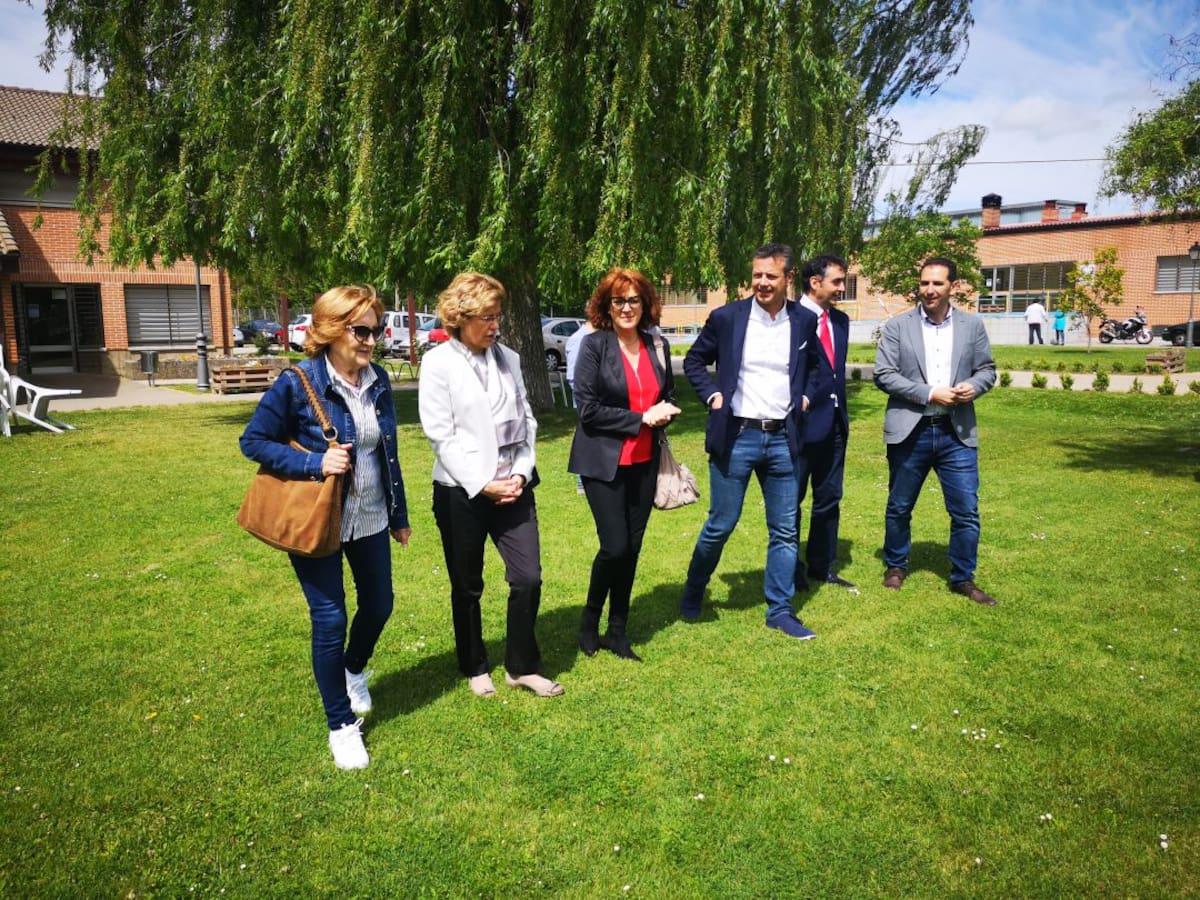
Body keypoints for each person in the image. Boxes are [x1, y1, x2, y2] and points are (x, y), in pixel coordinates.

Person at [240, 284, 411, 771]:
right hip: (319, 521)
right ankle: (341, 725)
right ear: (333, 330)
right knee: (330, 618)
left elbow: (387, 452)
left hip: (371, 517)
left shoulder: (378, 379)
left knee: (380, 605)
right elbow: (253, 441)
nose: (372, 340)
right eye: (362, 331)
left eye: (377, 330)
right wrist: (315, 462)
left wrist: (399, 515)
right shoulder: (298, 383)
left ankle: (353, 669)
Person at [418, 272, 563, 699]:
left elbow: (527, 420)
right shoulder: (439, 363)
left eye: (497, 316)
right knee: (467, 585)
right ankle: (475, 664)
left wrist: (520, 472)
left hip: (514, 486)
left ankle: (522, 666)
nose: (495, 325)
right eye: (486, 317)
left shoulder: (509, 358)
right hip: (460, 491)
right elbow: (441, 435)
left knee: (528, 577)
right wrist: (482, 484)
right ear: (460, 317)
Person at [680, 243, 823, 640]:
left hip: (783, 439)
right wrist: (711, 395)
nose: (761, 282)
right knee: (721, 523)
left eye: (770, 276)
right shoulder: (727, 317)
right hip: (737, 436)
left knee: (785, 530)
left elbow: (816, 367)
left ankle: (780, 610)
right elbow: (694, 360)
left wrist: (806, 396)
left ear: (788, 278)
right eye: (757, 274)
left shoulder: (803, 321)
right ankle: (694, 589)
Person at [567, 269, 681, 662]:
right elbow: (588, 409)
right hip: (603, 462)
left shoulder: (656, 344)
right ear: (607, 305)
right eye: (619, 301)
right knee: (614, 547)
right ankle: (589, 619)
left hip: (646, 462)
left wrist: (666, 411)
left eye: (634, 300)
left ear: (645, 304)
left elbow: (667, 394)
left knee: (632, 548)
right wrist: (640, 419)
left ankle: (617, 631)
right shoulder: (594, 345)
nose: (627, 308)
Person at [874, 258, 998, 606]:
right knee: (899, 506)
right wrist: (930, 393)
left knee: (966, 511)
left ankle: (963, 578)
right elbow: (884, 374)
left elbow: (987, 370)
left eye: (937, 283)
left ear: (953, 287)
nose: (929, 290)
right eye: (924, 283)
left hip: (956, 433)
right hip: (910, 432)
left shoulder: (972, 325)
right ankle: (896, 565)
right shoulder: (898, 326)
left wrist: (974, 386)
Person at [794, 254, 854, 592]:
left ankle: (822, 566)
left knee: (829, 498)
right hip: (800, 427)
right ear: (815, 282)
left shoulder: (841, 322)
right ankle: (791, 570)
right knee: (791, 502)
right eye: (837, 281)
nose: (842, 288)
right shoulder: (789, 318)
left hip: (834, 426)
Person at [564, 318, 596, 495]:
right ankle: (582, 481)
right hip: (587, 401)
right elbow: (573, 376)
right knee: (588, 438)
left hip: (596, 401)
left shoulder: (597, 336)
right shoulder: (580, 338)